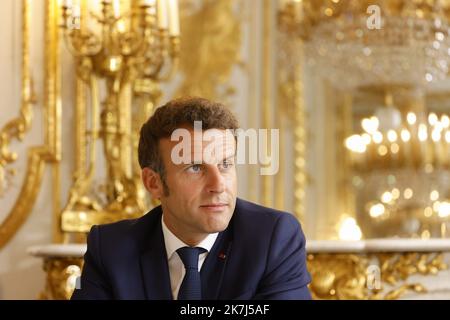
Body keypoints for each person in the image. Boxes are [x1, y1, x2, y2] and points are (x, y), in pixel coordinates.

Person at [71, 97, 311, 300]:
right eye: (195, 168)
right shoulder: (111, 249)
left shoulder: (273, 238)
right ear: (153, 183)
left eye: (225, 164)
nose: (218, 185)